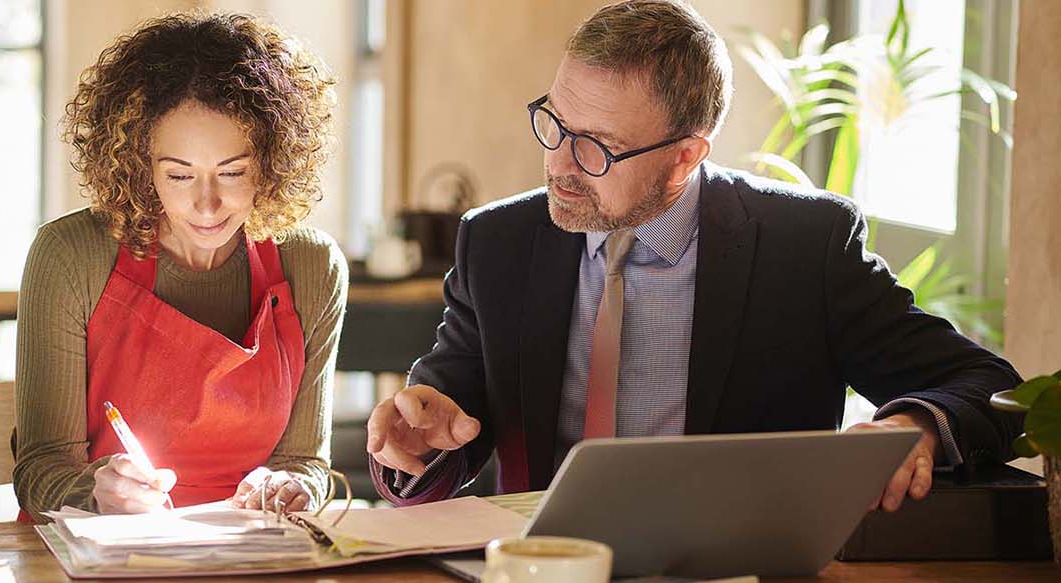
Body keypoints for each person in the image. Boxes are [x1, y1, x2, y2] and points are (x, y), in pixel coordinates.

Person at [366, 0, 1021, 512]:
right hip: (544, 576)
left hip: (746, 580)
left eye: (595, 146)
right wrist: (417, 440)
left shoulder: (802, 248)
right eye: (555, 123)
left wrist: (917, 426)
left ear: (685, 157)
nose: (559, 165)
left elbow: (993, 388)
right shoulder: (498, 242)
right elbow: (446, 412)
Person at [14, 12, 346, 519]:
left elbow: (305, 461)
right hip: (102, 564)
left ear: (273, 163)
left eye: (232, 172)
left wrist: (294, 485)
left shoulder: (311, 266)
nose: (207, 205)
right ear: (141, 167)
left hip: (254, 560)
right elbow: (40, 469)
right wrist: (94, 493)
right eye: (180, 175)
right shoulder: (70, 256)